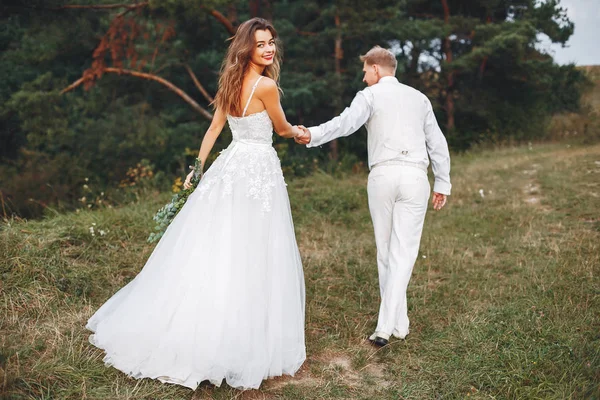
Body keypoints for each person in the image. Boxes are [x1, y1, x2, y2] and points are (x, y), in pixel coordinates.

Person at [87, 18, 310, 390]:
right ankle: (239, 334)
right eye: (260, 45)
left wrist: (199, 167)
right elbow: (283, 129)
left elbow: (213, 129)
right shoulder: (267, 85)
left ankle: (214, 323)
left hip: (231, 165)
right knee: (253, 247)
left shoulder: (232, 82)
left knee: (218, 243)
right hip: (256, 169)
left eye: (271, 42)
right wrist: (301, 134)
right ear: (246, 49)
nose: (269, 49)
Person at [295, 46, 451, 347]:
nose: (364, 75)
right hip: (416, 177)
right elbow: (437, 142)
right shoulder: (420, 98)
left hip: (382, 176)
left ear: (377, 69)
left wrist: (312, 134)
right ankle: (398, 323)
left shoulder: (369, 96)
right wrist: (442, 182)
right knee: (403, 252)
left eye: (366, 70)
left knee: (386, 250)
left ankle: (386, 326)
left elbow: (344, 123)